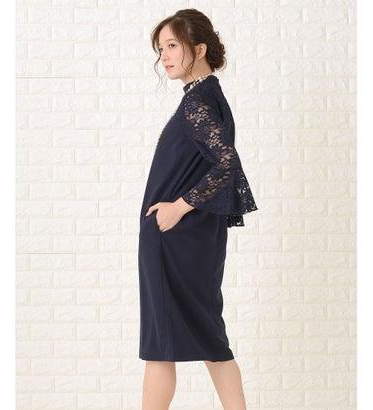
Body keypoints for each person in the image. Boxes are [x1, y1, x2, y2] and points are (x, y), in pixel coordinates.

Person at [138, 8, 258, 410]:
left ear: (200, 48)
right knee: (210, 339)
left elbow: (227, 165)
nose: (165, 56)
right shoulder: (207, 97)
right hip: (193, 237)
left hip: (176, 238)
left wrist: (178, 206)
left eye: (172, 45)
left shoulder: (198, 103)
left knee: (161, 346)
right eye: (161, 49)